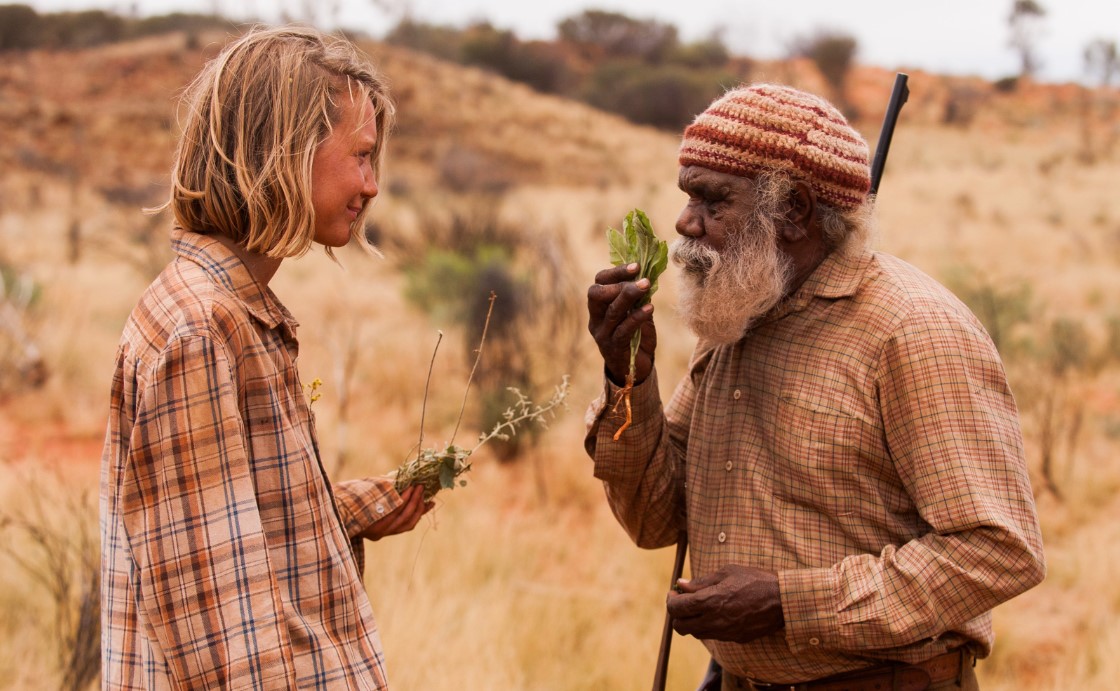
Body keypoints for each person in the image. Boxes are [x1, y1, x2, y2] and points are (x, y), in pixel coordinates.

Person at [584, 83, 1045, 691]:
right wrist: (629, 376)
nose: (684, 221)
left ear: (794, 210)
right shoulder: (734, 316)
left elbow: (998, 550)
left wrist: (787, 602)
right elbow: (656, 520)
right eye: (686, 195)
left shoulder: (911, 332)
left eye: (711, 200)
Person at [100, 26, 431, 689]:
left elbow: (230, 532)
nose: (372, 183)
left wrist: (346, 509)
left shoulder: (233, 310)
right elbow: (225, 632)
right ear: (286, 152)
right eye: (361, 155)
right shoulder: (201, 328)